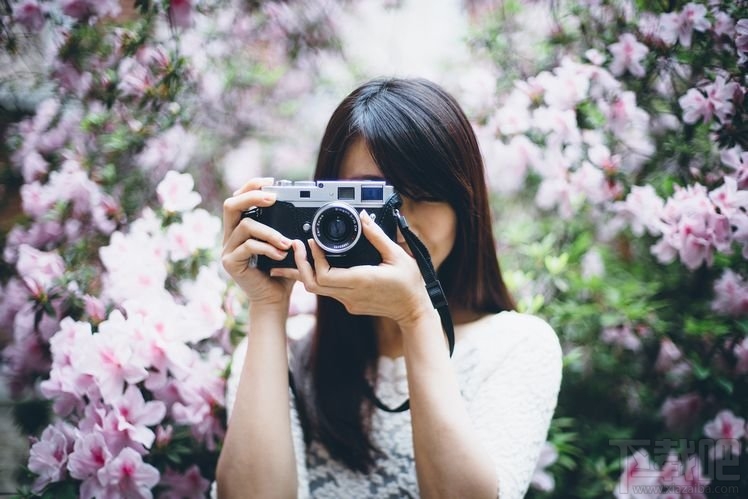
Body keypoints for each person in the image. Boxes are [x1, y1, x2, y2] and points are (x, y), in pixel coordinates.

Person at [217, 77, 562, 499]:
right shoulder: (283, 356)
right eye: (372, 198)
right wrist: (267, 305)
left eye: (424, 194)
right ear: (326, 202)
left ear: (465, 204)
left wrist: (416, 316)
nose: (401, 223)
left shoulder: (517, 346)